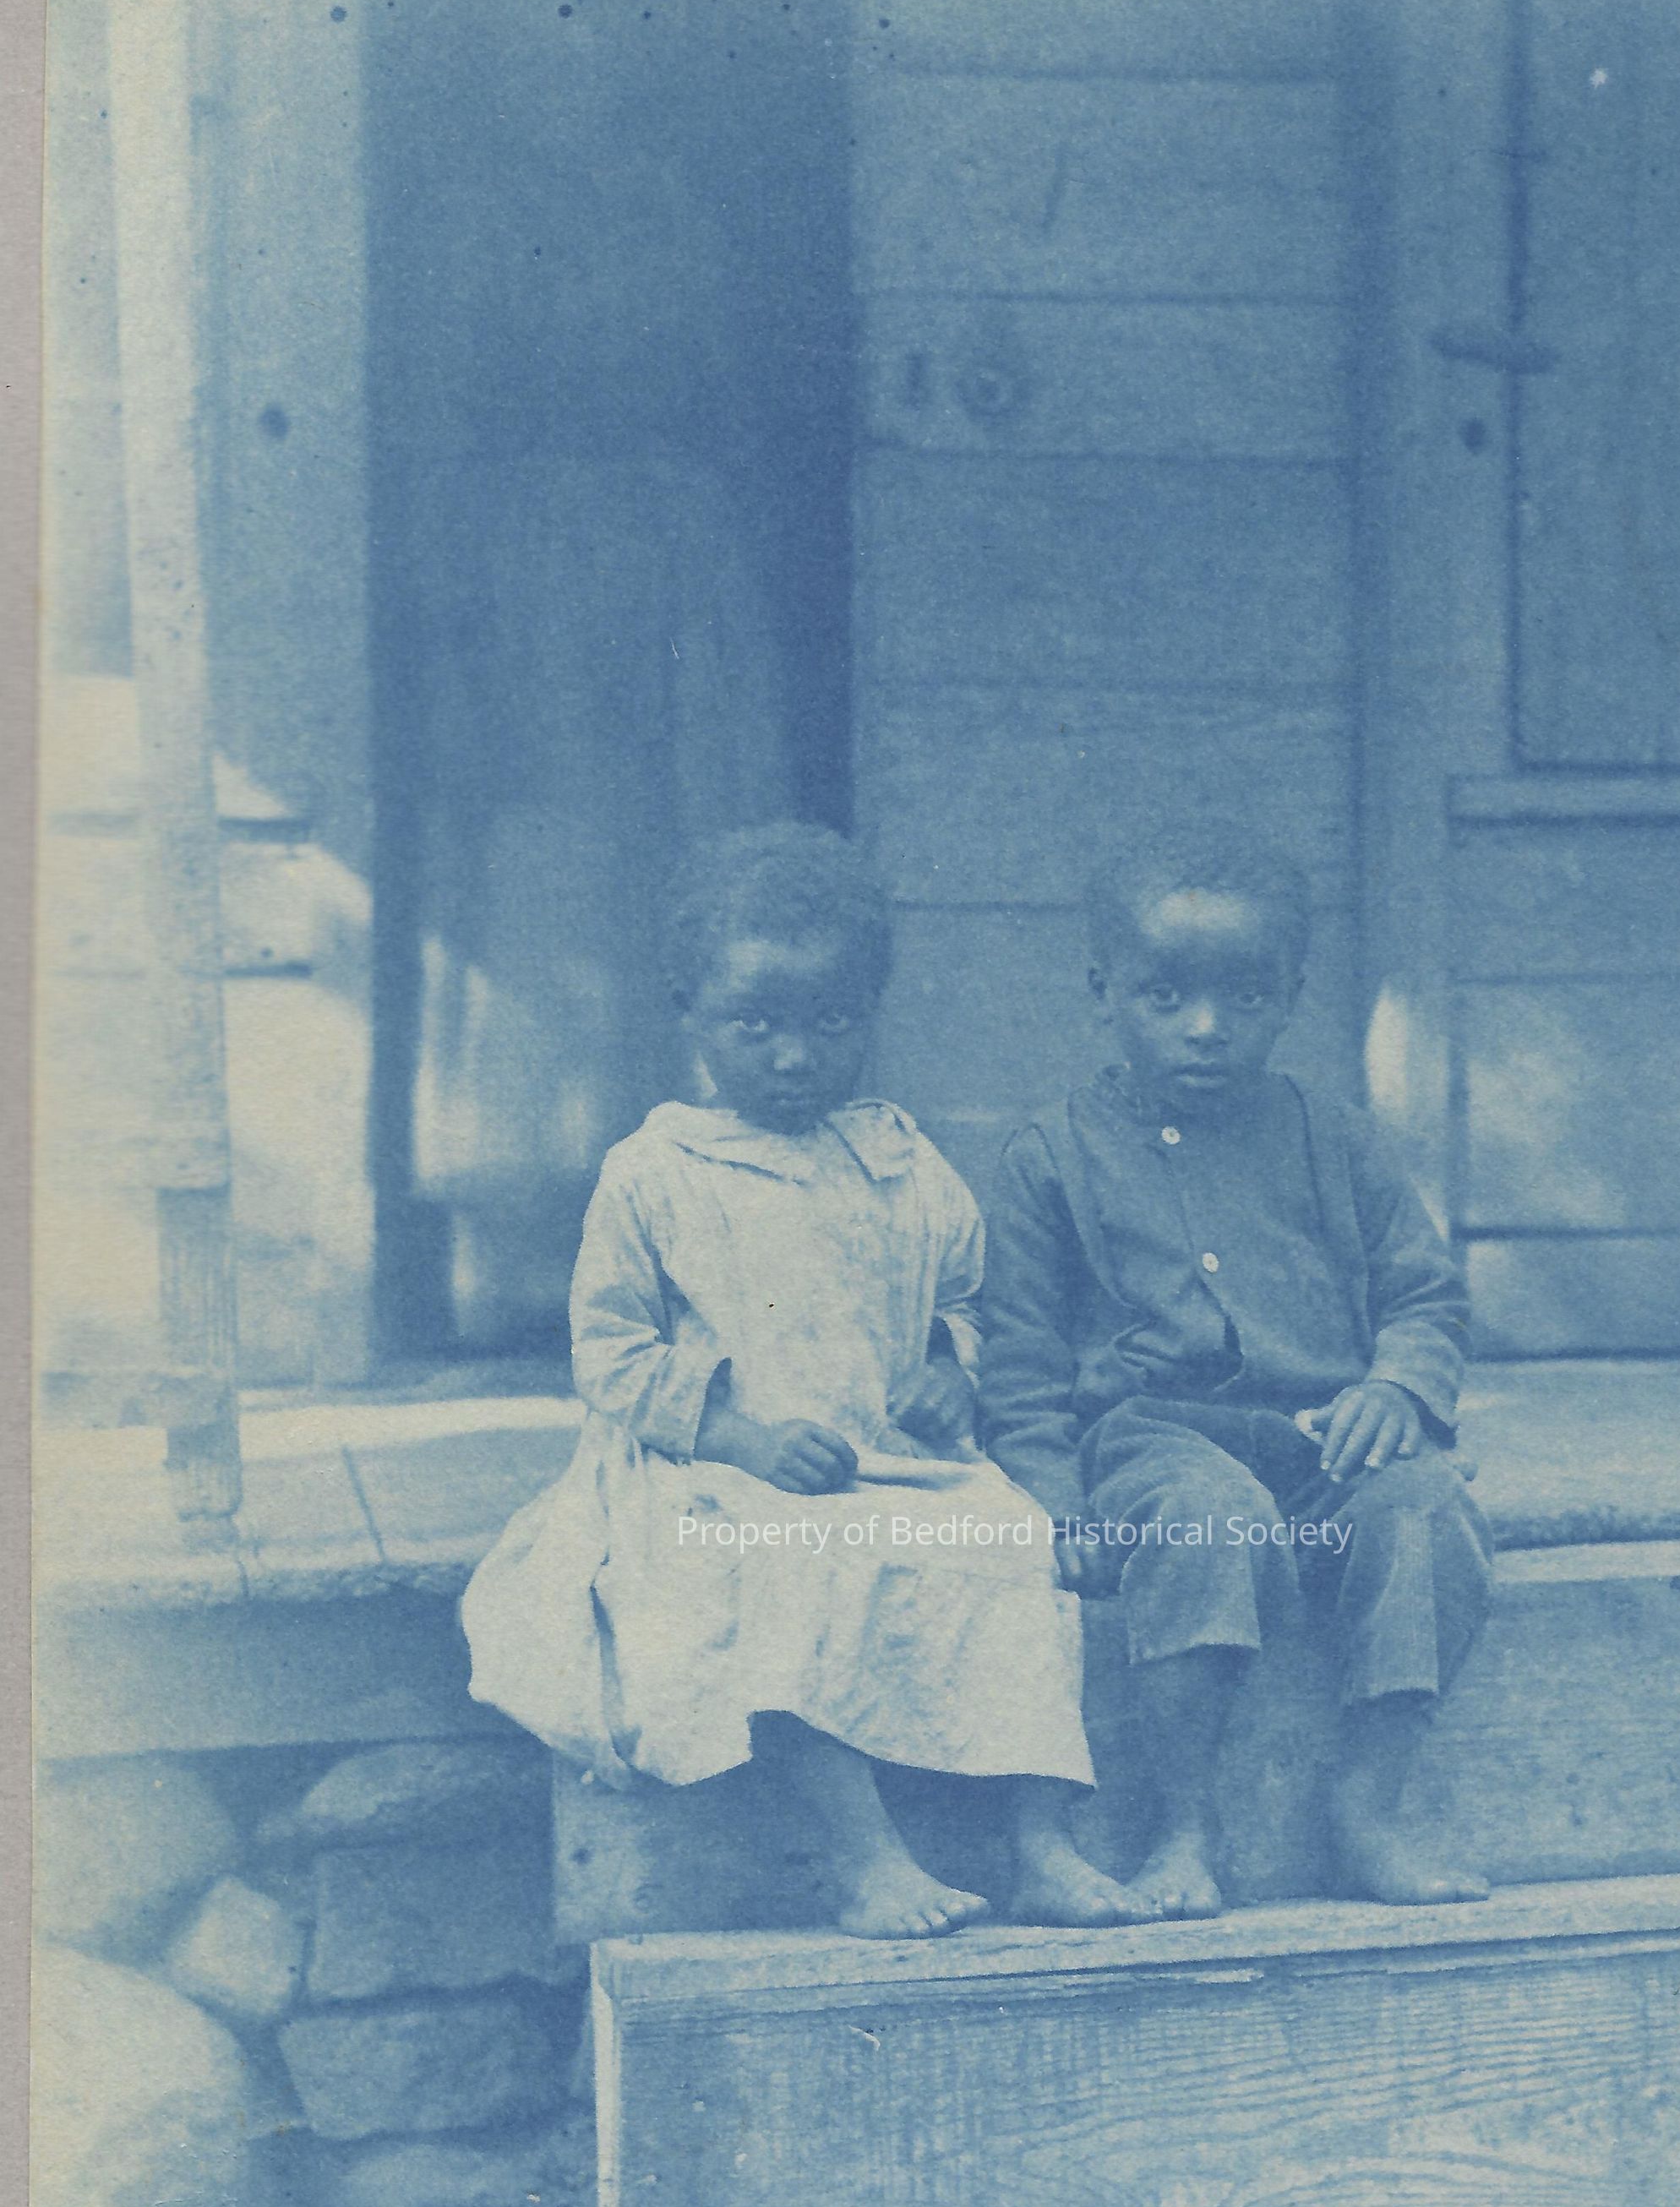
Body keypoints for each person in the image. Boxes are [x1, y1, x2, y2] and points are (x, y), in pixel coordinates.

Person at [462, 823, 1147, 1938]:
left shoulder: (898, 1161)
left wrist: (949, 1365)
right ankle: (866, 1856)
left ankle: (1041, 1843)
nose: (794, 1057)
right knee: (778, 1563)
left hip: (890, 1460)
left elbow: (968, 1295)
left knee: (1015, 1544)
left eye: (831, 1025)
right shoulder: (656, 1174)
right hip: (713, 1470)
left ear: (870, 1015)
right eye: (757, 1026)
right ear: (688, 1010)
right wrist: (743, 1437)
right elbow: (612, 1353)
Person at [978, 824, 1495, 1920]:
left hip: (1325, 1444)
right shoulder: (1051, 1157)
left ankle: (1368, 1802)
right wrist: (1056, 1505)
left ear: (1292, 997)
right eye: (1165, 997)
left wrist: (1397, 1387)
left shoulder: (1336, 1139)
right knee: (1207, 1520)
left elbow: (1425, 1294)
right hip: (1156, 1442)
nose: (1207, 1027)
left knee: (1426, 1512)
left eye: (1246, 997)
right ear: (1104, 992)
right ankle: (1185, 1825)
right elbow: (1020, 1366)